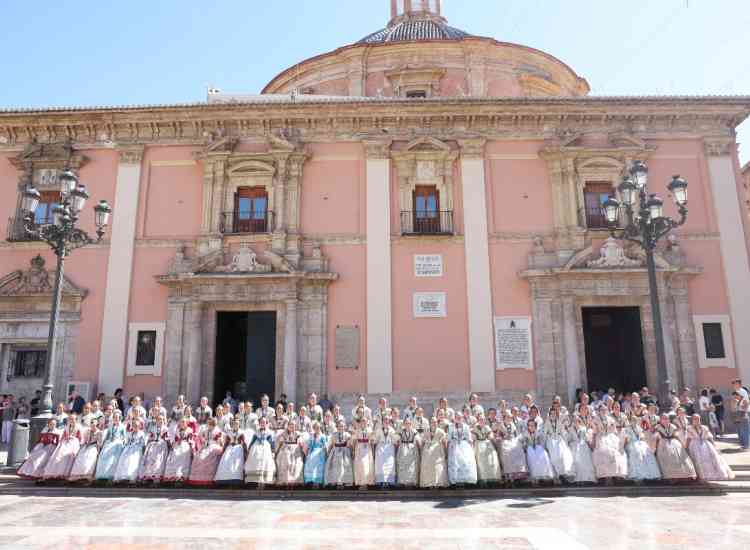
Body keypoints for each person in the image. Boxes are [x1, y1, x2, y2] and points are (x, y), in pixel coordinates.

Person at [686, 414, 734, 481]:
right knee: (697, 460)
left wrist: (714, 445)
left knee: (711, 459)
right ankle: (700, 476)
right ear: (692, 420)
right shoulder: (689, 428)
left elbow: (709, 437)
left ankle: (710, 475)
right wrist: (686, 447)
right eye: (695, 419)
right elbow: (688, 438)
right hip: (694, 444)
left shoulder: (704, 427)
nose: (696, 420)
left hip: (705, 444)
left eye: (698, 419)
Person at [653, 413, 696, 481]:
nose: (665, 420)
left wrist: (682, 444)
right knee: (666, 458)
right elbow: (655, 437)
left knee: (678, 457)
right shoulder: (657, 427)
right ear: (660, 420)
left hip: (674, 443)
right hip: (663, 443)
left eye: (667, 419)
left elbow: (677, 435)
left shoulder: (673, 426)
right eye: (664, 419)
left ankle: (682, 475)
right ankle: (669, 477)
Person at [42, 414, 82, 480]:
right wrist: (65, 439)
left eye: (73, 419)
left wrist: (73, 438)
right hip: (66, 442)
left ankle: (67, 473)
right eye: (70, 419)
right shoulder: (66, 427)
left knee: (69, 454)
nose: (71, 420)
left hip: (74, 443)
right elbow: (63, 436)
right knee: (59, 453)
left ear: (76, 420)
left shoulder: (78, 428)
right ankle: (56, 473)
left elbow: (79, 438)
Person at [623, 416, 661, 483]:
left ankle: (649, 473)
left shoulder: (639, 428)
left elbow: (642, 436)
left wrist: (641, 438)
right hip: (631, 443)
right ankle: (637, 475)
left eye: (635, 420)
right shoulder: (627, 428)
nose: (634, 421)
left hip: (640, 442)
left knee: (647, 452)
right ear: (630, 420)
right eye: (632, 420)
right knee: (636, 452)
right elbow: (627, 438)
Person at [188, 417, 224, 486]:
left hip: (214, 446)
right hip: (205, 446)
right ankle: (199, 479)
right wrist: (204, 441)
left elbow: (220, 441)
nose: (209, 425)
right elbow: (201, 437)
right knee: (198, 457)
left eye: (210, 423)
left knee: (208, 458)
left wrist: (216, 442)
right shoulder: (205, 431)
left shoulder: (218, 431)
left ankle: (209, 479)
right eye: (208, 423)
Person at [496, 411, 528, 484]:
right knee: (507, 453)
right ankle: (509, 476)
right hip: (504, 442)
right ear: (504, 418)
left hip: (512, 441)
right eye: (508, 417)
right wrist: (503, 437)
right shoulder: (501, 425)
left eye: (510, 417)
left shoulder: (512, 425)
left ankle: (518, 475)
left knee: (519, 451)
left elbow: (516, 434)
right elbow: (498, 436)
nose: (509, 419)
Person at [544, 407, 574, 483]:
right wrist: (544, 443)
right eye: (552, 414)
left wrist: (567, 436)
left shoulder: (559, 422)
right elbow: (544, 433)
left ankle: (562, 474)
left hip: (559, 439)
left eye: (554, 413)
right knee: (554, 457)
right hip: (551, 440)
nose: (553, 415)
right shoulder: (547, 422)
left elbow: (563, 432)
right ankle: (557, 476)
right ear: (549, 414)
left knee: (562, 455)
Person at [95, 411, 127, 482]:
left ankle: (111, 475)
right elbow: (107, 435)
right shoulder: (110, 426)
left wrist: (123, 442)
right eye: (114, 417)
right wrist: (105, 442)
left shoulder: (122, 427)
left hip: (117, 442)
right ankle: (102, 474)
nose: (116, 418)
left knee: (113, 458)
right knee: (104, 456)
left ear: (120, 418)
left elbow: (124, 437)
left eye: (117, 417)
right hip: (110, 442)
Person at [68, 418, 102, 483]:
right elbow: (85, 440)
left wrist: (98, 451)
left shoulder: (99, 432)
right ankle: (79, 475)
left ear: (97, 424)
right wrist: (83, 445)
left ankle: (87, 476)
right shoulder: (88, 431)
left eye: (94, 423)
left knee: (89, 459)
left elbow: (99, 443)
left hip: (93, 446)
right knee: (80, 458)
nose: (92, 424)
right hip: (86, 446)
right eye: (91, 423)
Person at [114, 418, 147, 484]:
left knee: (133, 459)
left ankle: (132, 477)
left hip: (137, 449)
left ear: (139, 426)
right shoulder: (129, 433)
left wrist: (137, 447)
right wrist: (127, 445)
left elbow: (143, 444)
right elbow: (127, 442)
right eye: (134, 425)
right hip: (129, 448)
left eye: (137, 425)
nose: (135, 427)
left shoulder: (142, 434)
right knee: (124, 457)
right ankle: (123, 476)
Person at [447, 416, 478, 486]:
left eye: (460, 417)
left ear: (462, 418)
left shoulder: (466, 426)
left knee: (465, 462)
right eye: (457, 417)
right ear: (454, 418)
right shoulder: (451, 426)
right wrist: (448, 446)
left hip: (464, 445)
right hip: (454, 445)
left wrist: (472, 447)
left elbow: (469, 438)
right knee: (455, 463)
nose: (458, 419)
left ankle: (466, 480)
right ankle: (456, 481)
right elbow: (449, 438)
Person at [245, 416, 275, 486]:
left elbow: (271, 442)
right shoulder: (256, 432)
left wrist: (273, 451)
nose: (262, 423)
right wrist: (249, 449)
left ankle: (264, 482)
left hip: (266, 448)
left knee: (265, 464)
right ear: (259, 423)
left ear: (266, 423)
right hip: (256, 449)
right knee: (257, 463)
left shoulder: (269, 432)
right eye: (261, 422)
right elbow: (252, 441)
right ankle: (257, 481)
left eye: (264, 422)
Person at [214, 418, 246, 485]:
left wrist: (245, 451)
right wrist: (223, 450)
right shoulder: (229, 432)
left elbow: (244, 442)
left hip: (238, 448)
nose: (235, 425)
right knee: (226, 461)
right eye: (234, 423)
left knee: (236, 463)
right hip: (230, 448)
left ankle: (236, 480)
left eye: (237, 424)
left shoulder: (241, 432)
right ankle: (225, 479)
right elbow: (226, 442)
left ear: (239, 424)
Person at [419, 417, 449, 488]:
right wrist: (421, 451)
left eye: (435, 422)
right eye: (432, 422)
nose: (433, 423)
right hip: (428, 451)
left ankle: (437, 483)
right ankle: (428, 484)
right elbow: (422, 441)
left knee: (437, 467)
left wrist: (445, 451)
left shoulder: (441, 431)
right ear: (430, 423)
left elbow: (445, 441)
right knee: (428, 466)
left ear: (437, 423)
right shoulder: (426, 430)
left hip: (437, 451)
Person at [139, 415, 170, 484]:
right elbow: (150, 436)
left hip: (162, 444)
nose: (160, 421)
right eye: (159, 419)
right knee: (150, 458)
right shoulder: (153, 428)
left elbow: (167, 438)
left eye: (161, 419)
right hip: (154, 444)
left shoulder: (165, 429)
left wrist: (166, 442)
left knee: (158, 459)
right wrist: (149, 441)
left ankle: (157, 476)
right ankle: (148, 475)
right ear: (156, 421)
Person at [163, 417, 194, 483]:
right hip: (177, 445)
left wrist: (191, 448)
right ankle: (173, 477)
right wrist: (173, 443)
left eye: (183, 422)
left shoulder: (189, 430)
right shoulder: (178, 430)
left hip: (185, 445)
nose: (182, 423)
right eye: (181, 422)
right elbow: (175, 438)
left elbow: (190, 440)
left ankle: (181, 477)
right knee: (173, 457)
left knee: (182, 460)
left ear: (187, 423)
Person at [472, 414, 501, 485]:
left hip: (486, 443)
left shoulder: (487, 427)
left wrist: (493, 437)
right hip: (478, 443)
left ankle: (492, 478)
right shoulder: (475, 428)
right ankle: (482, 479)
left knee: (492, 458)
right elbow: (474, 438)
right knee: (481, 461)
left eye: (483, 420)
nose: (482, 421)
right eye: (480, 420)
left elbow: (490, 436)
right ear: (478, 420)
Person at [524, 418, 554, 484]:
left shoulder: (539, 433)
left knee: (542, 454)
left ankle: (544, 475)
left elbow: (542, 442)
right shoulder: (525, 434)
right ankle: (535, 477)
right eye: (529, 425)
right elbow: (524, 443)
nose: (531, 427)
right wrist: (527, 446)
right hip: (530, 448)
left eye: (532, 425)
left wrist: (538, 446)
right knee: (531, 453)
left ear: (535, 426)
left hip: (538, 448)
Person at [568, 414, 596, 484]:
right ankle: (577, 479)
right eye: (574, 421)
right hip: (574, 445)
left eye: (577, 420)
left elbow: (586, 437)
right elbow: (569, 438)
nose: (576, 422)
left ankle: (586, 478)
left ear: (579, 421)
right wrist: (571, 442)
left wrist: (587, 441)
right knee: (575, 459)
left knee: (584, 458)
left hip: (582, 444)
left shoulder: (583, 428)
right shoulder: (570, 429)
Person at [325, 419, 354, 488]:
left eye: (342, 426)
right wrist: (328, 452)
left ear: (345, 427)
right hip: (336, 451)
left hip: (344, 452)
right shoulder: (334, 434)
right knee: (336, 467)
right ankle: (337, 482)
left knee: (344, 466)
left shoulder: (347, 434)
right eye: (339, 426)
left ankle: (343, 482)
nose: (341, 427)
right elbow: (331, 444)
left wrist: (352, 451)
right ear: (337, 427)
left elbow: (350, 445)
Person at [275, 420, 304, 487]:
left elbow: (301, 444)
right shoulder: (283, 433)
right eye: (290, 425)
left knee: (297, 464)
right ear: (287, 426)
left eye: (293, 425)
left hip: (296, 451)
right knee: (286, 461)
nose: (292, 426)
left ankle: (293, 482)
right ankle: (286, 481)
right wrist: (277, 452)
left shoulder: (298, 434)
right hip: (286, 449)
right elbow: (280, 443)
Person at [351, 414, 375, 489]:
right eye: (362, 421)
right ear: (360, 422)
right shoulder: (357, 430)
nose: (363, 422)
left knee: (367, 465)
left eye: (365, 421)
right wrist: (353, 451)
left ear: (367, 422)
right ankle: (361, 483)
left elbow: (372, 441)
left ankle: (366, 483)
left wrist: (373, 451)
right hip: (359, 448)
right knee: (360, 466)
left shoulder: (370, 430)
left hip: (367, 449)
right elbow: (354, 440)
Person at [396, 417, 420, 487]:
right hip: (403, 448)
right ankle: (403, 482)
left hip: (412, 449)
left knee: (411, 466)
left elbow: (418, 440)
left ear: (411, 424)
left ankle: (411, 482)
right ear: (404, 424)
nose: (407, 425)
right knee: (403, 465)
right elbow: (396, 439)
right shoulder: (401, 431)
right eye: (406, 423)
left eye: (409, 423)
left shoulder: (414, 431)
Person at [373, 416, 397, 488]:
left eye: (387, 420)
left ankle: (389, 482)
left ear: (389, 422)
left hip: (389, 448)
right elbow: (375, 440)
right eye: (385, 420)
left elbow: (394, 440)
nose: (386, 421)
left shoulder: (392, 430)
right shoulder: (378, 430)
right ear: (382, 421)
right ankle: (382, 482)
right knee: (380, 466)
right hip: (380, 448)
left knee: (389, 465)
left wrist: (396, 442)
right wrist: (373, 442)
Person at [302, 421, 328, 487]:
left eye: (318, 428)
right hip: (313, 451)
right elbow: (309, 445)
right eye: (316, 428)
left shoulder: (322, 436)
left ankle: (318, 482)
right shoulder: (312, 436)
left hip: (320, 452)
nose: (317, 429)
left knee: (318, 463)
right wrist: (307, 452)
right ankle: (312, 481)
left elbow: (325, 446)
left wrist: (326, 454)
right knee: (310, 460)